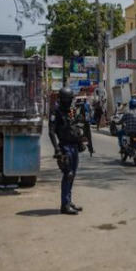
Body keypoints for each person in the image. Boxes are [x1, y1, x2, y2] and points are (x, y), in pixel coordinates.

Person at [49, 87, 94, 215]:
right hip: (64, 147)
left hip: (74, 146)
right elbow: (51, 132)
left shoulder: (71, 111)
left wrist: (82, 136)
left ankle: (68, 201)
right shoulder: (55, 112)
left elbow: (74, 124)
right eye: (68, 100)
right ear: (63, 100)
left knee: (72, 175)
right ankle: (64, 205)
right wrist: (57, 149)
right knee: (68, 174)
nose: (70, 102)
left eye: (71, 100)